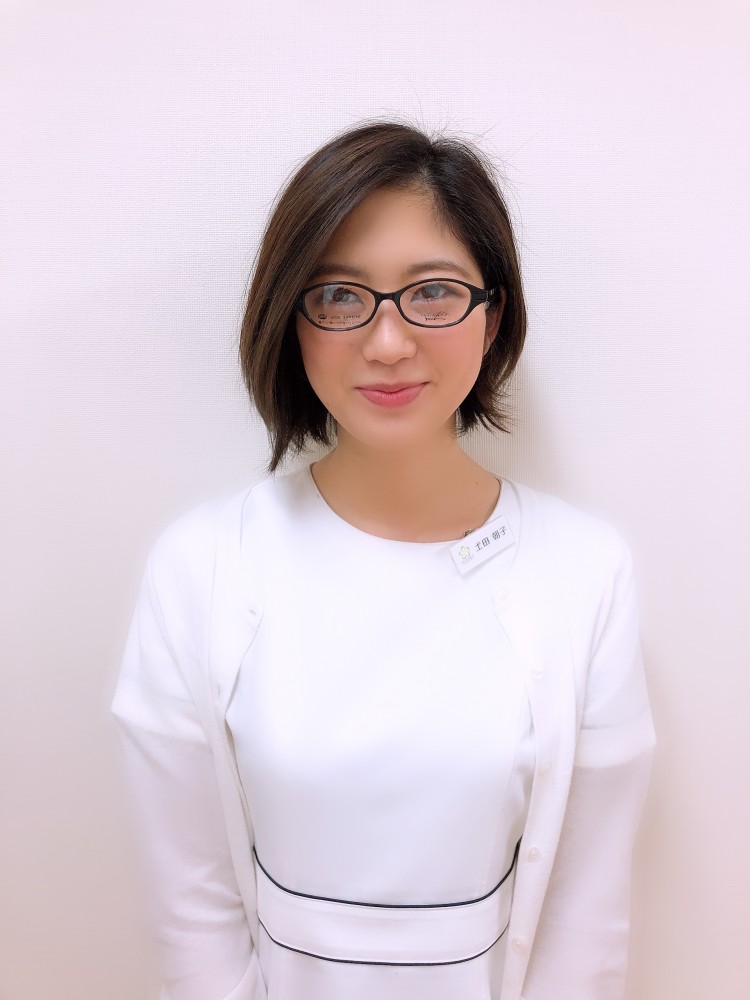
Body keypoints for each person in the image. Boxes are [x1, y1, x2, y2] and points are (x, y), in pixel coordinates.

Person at [111, 120, 656, 1000]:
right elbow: (192, 917)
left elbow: (584, 926)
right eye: (338, 295)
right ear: (291, 321)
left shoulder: (586, 571)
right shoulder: (201, 566)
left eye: (433, 293)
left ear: (493, 316)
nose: (389, 342)